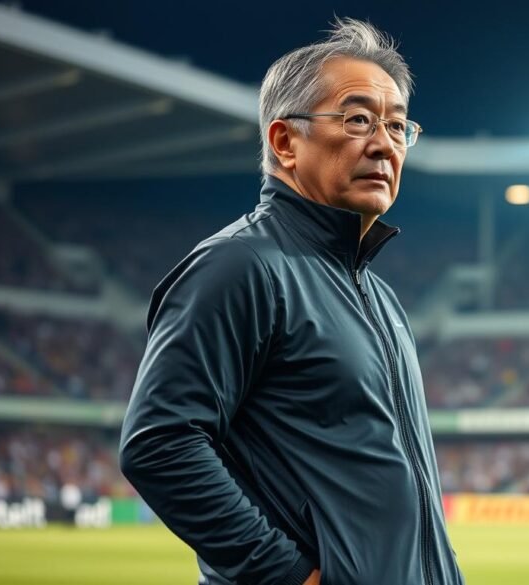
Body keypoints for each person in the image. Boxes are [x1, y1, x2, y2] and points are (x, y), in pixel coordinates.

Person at [119, 17, 465, 585]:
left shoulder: (377, 295)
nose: (384, 143)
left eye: (397, 125)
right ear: (284, 142)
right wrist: (288, 575)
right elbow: (160, 443)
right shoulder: (239, 266)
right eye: (358, 119)